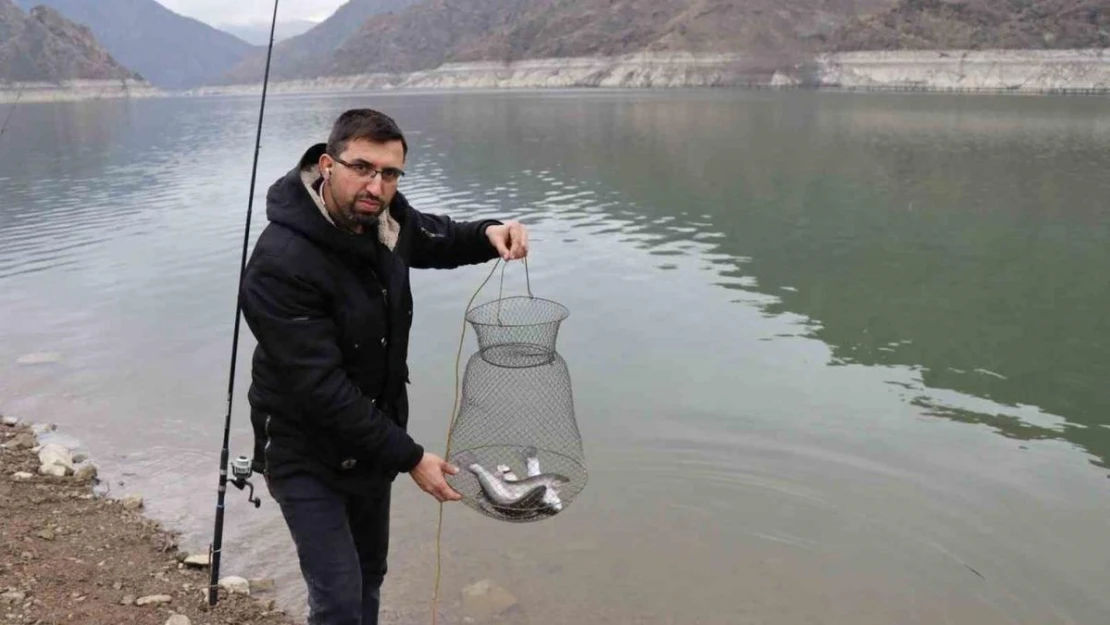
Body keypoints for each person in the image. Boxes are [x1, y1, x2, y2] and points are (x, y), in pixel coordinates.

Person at [238, 108, 529, 625]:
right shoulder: (279, 262)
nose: (376, 185)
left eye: (390, 173)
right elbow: (320, 390)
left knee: (371, 573)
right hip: (303, 448)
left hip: (372, 442)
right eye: (363, 168)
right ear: (328, 165)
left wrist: (488, 233)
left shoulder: (384, 218)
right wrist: (412, 456)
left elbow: (434, 236)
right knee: (339, 600)